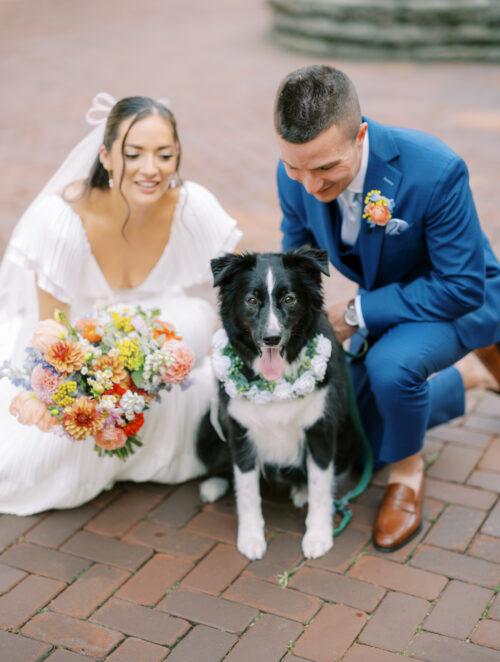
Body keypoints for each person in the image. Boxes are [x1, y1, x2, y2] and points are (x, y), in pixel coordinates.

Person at [274, 65, 500, 552]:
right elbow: (297, 254)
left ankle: (408, 474)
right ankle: (476, 377)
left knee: (390, 368)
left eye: (325, 168)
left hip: (461, 298)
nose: (309, 185)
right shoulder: (294, 171)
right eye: (296, 167)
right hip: (390, 298)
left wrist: (357, 313)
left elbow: (461, 286)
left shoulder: (435, 170)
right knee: (361, 437)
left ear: (360, 136)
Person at [0, 94, 241, 515]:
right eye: (134, 154)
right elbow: (51, 336)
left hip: (166, 335)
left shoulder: (191, 207)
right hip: (78, 345)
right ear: (106, 157)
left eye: (164, 155)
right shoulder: (61, 219)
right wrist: (100, 389)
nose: (151, 170)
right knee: (23, 465)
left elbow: (231, 300)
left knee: (192, 327)